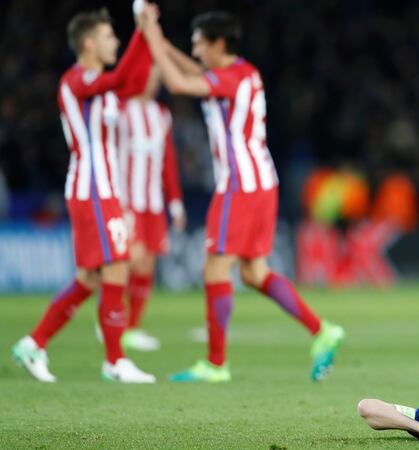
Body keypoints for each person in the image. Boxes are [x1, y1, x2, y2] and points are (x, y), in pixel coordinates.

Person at [137, 6, 345, 382]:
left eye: (199, 44)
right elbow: (199, 74)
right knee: (252, 272)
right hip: (259, 181)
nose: (196, 51)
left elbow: (183, 85)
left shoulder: (231, 78)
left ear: (218, 43)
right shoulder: (240, 72)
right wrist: (164, 45)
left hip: (239, 185)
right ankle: (322, 330)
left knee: (215, 267)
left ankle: (216, 364)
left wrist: (151, 36)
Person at [11, 5, 156, 383]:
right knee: (116, 268)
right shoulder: (75, 81)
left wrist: (148, 34)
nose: (117, 42)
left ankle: (34, 342)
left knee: (91, 278)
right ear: (89, 43)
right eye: (111, 36)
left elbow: (135, 80)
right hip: (90, 189)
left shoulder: (103, 87)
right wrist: (142, 30)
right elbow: (125, 74)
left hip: (105, 189)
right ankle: (115, 360)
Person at [116, 66, 186, 351]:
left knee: (147, 263)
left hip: (153, 201)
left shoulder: (161, 115)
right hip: (126, 199)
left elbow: (168, 160)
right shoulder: (120, 112)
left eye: (157, 79)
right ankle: (112, 318)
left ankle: (132, 328)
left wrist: (175, 202)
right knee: (130, 259)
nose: (154, 84)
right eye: (150, 77)